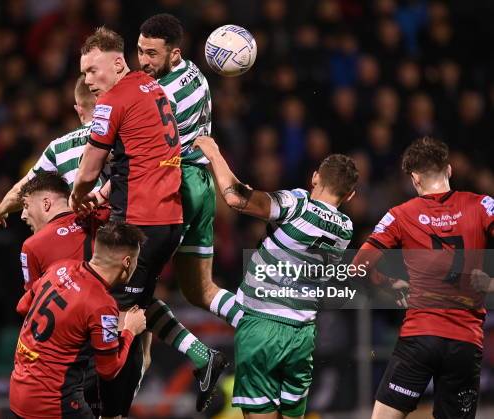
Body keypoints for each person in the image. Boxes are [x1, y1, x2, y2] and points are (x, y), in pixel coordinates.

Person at [71, 27, 227, 415]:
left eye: (93, 70)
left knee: (117, 318)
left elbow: (89, 168)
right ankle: (202, 356)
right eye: (84, 72)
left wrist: (78, 196)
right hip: (165, 217)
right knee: (138, 303)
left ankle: (111, 408)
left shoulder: (114, 102)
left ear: (118, 62)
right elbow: (140, 154)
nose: (88, 80)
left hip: (141, 223)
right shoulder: (152, 88)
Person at [194, 135, 359, 419]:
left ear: (315, 177)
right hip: (302, 334)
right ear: (350, 196)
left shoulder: (297, 203)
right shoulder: (346, 228)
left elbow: (236, 197)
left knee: (201, 291)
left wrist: (214, 154)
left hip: (261, 326)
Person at [352, 137, 493, 419]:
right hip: (465, 341)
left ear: (415, 179)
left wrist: (388, 285)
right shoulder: (483, 205)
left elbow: (358, 268)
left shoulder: (399, 215)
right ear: (449, 170)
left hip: (420, 337)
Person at [137, 14, 245, 332]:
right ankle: (259, 324)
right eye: (140, 51)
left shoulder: (161, 97)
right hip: (202, 186)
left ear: (174, 53)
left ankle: (192, 355)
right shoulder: (194, 72)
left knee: (130, 288)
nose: (143, 60)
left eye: (151, 54)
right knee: (201, 290)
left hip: (177, 186)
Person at [9, 221, 147, 419]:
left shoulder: (58, 267)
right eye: (136, 260)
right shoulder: (102, 304)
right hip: (53, 403)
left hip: (18, 389)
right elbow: (109, 369)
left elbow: (22, 306)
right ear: (127, 262)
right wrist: (130, 330)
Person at [0, 75, 105, 229]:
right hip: (123, 223)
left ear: (78, 109)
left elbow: (23, 190)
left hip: (86, 231)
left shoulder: (58, 147)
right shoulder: (118, 133)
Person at [18, 172, 109, 289]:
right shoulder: (99, 216)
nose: (23, 215)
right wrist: (101, 196)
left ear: (46, 204)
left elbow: (33, 300)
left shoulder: (32, 246)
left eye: (26, 206)